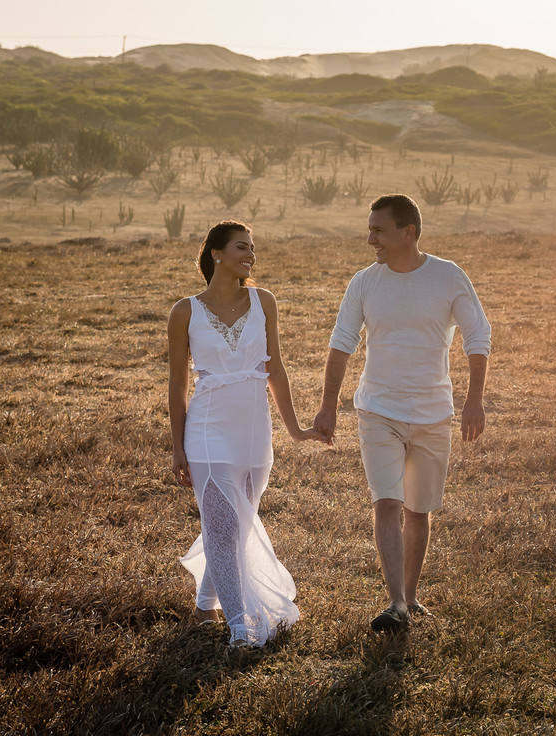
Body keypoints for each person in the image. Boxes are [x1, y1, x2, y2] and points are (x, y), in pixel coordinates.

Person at [314, 194, 491, 633]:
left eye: (378, 229)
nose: (369, 237)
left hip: (433, 413)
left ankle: (410, 598)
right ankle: (395, 604)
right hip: (377, 410)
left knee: (418, 509)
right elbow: (341, 343)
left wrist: (474, 399)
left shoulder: (448, 277)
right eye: (369, 228)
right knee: (387, 502)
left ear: (407, 232)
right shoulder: (364, 282)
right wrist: (328, 405)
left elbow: (477, 335)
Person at [167, 220, 322, 647]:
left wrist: (296, 429)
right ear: (217, 253)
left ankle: (204, 607)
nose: (250, 255)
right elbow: (177, 385)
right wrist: (177, 447)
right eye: (241, 247)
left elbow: (276, 369)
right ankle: (238, 624)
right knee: (220, 525)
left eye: (253, 248)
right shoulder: (185, 311)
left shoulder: (264, 301)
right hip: (206, 431)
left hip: (256, 434)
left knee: (235, 526)